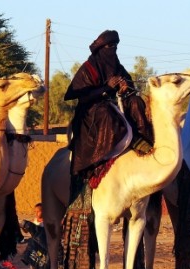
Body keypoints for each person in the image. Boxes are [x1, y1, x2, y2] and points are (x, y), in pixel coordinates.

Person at [64, 29, 154, 185]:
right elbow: (81, 95)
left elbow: (129, 87)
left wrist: (125, 87)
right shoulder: (88, 68)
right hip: (91, 110)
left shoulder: (117, 66)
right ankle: (127, 145)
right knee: (106, 112)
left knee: (136, 102)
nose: (113, 49)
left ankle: (143, 141)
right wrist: (105, 88)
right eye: (110, 46)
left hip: (116, 104)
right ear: (101, 48)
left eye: (116, 46)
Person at [21, 203, 48, 269]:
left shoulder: (47, 222)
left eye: (38, 211)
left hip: (43, 246)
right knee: (33, 261)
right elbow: (27, 231)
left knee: (42, 263)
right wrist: (23, 227)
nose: (36, 213)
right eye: (35, 211)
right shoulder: (34, 221)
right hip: (34, 245)